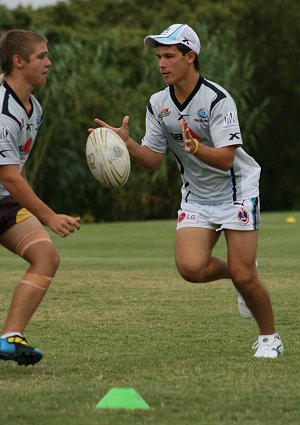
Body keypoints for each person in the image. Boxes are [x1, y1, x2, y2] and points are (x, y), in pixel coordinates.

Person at [91, 24, 283, 358]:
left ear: (190, 56)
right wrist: (127, 144)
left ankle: (270, 337)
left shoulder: (217, 100)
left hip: (236, 190)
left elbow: (225, 160)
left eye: (169, 56)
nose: (161, 63)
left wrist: (196, 149)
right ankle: (243, 272)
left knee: (243, 275)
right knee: (191, 268)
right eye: (158, 57)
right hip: (196, 195)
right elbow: (152, 160)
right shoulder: (157, 104)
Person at [0, 29, 80, 366]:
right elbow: (8, 175)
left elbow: (15, 174)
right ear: (19, 62)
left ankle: (9, 337)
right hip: (6, 190)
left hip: (4, 202)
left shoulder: (34, 109)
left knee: (46, 257)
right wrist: (48, 215)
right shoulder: (3, 112)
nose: (49, 62)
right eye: (42, 56)